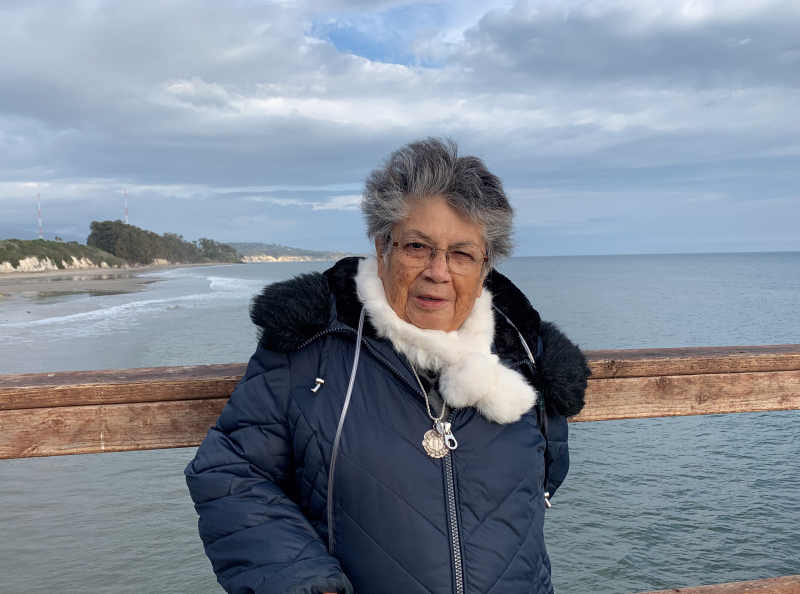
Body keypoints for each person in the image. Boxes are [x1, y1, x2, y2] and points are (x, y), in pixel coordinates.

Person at [185, 138, 590, 594]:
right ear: (382, 248)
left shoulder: (527, 356)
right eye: (417, 246)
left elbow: (546, 478)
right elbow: (231, 471)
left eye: (461, 254)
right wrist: (303, 582)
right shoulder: (312, 346)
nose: (438, 271)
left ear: (485, 268)